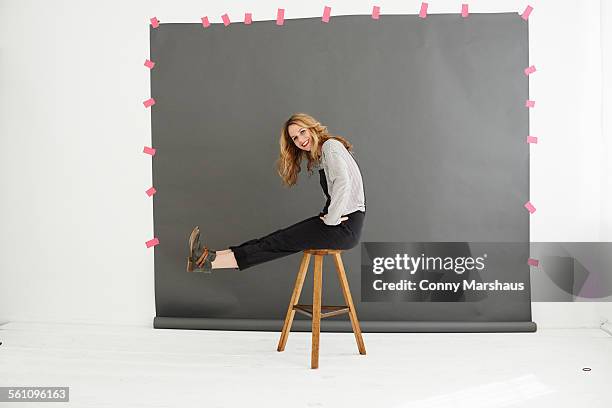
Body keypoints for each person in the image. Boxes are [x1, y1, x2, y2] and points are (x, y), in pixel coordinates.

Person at [186, 112, 367, 273]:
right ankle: (208, 257)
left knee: (280, 241)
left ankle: (207, 262)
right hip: (338, 223)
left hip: (344, 228)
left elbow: (343, 183)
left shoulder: (330, 146)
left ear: (312, 128)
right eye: (295, 138)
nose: (301, 140)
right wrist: (330, 215)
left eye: (302, 132)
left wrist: (332, 218)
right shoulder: (323, 154)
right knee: (276, 238)